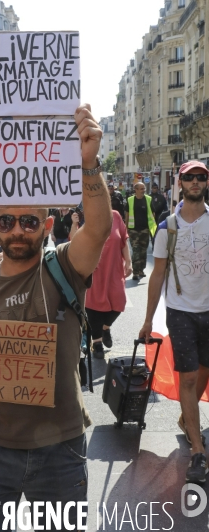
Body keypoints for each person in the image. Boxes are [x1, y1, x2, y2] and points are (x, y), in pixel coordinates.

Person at [0, 104, 112, 530]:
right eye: (8, 220)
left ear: (47, 224)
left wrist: (88, 165)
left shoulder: (63, 268)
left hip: (62, 449)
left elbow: (99, 229)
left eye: (29, 221)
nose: (17, 230)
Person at [139, 160, 209, 484]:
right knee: (190, 377)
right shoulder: (167, 227)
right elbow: (157, 275)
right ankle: (197, 451)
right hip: (180, 311)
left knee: (204, 374)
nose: (195, 182)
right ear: (180, 183)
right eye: (189, 178)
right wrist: (148, 319)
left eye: (201, 177)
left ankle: (187, 419)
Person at [84, 210, 132, 358]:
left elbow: (123, 240)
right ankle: (97, 342)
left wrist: (129, 262)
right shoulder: (89, 215)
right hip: (94, 268)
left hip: (114, 268)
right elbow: (77, 240)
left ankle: (106, 328)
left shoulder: (116, 216)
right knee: (93, 305)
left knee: (119, 301)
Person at [125, 182, 157, 281]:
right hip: (133, 230)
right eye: (141, 189)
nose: (144, 190)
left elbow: (153, 213)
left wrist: (151, 226)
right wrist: (126, 228)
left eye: (144, 189)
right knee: (136, 251)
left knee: (143, 251)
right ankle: (135, 272)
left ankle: (141, 270)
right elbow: (126, 214)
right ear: (136, 190)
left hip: (145, 229)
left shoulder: (148, 199)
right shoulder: (130, 200)